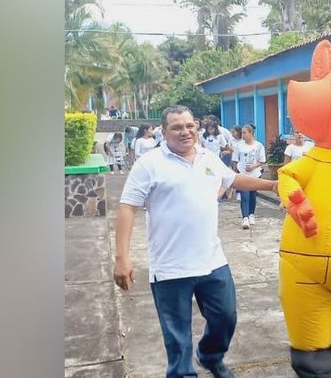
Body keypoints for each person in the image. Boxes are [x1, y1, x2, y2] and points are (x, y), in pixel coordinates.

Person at [113, 105, 278, 378]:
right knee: (177, 339)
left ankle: (211, 357)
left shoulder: (208, 157)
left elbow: (233, 178)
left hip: (212, 262)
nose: (185, 131)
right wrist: (122, 258)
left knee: (226, 318)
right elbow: (127, 207)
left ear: (197, 127)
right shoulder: (149, 164)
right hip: (170, 268)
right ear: (163, 132)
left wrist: (271, 185)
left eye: (190, 126)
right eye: (176, 127)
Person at [231, 124, 265, 229]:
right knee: (244, 196)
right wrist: (234, 172)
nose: (243, 135)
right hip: (242, 174)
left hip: (254, 174)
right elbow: (235, 160)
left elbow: (262, 161)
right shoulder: (239, 146)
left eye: (245, 133)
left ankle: (251, 214)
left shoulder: (258, 145)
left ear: (251, 133)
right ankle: (245, 218)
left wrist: (253, 166)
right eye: (242, 133)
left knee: (252, 196)